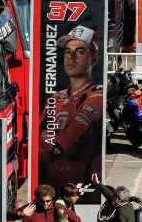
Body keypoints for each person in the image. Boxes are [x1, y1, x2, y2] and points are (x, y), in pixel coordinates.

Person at [39, 26, 103, 189]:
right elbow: (32, 136)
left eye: (80, 51)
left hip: (77, 186)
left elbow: (63, 142)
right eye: (68, 51)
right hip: (49, 185)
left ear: (93, 59)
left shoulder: (96, 95)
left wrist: (44, 138)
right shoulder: (57, 96)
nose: (71, 57)